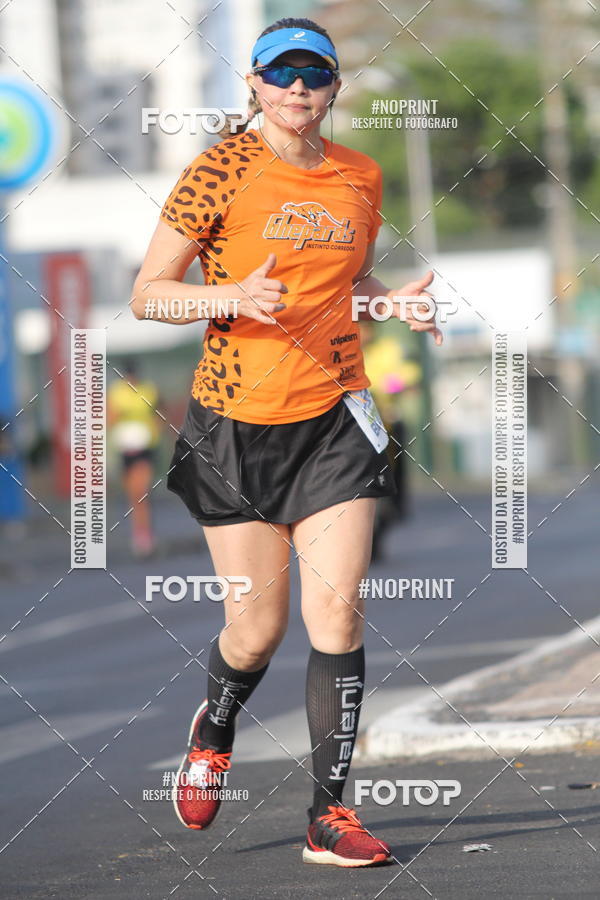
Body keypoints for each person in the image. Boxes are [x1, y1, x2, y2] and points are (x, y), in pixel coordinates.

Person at [131, 16, 442, 868]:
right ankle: (217, 722)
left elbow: (349, 282)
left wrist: (392, 303)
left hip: (337, 418)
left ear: (334, 87)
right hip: (235, 426)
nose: (298, 89)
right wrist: (224, 294)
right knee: (256, 632)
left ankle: (329, 815)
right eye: (282, 75)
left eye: (314, 75)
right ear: (255, 86)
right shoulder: (217, 172)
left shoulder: (360, 176)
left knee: (337, 612)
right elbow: (148, 294)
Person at [107, 358, 160, 557]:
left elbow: (158, 414)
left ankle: (145, 538)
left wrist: (152, 431)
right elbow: (109, 419)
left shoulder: (149, 390)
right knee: (134, 497)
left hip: (145, 448)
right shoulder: (116, 393)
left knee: (141, 492)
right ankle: (140, 534)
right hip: (125, 449)